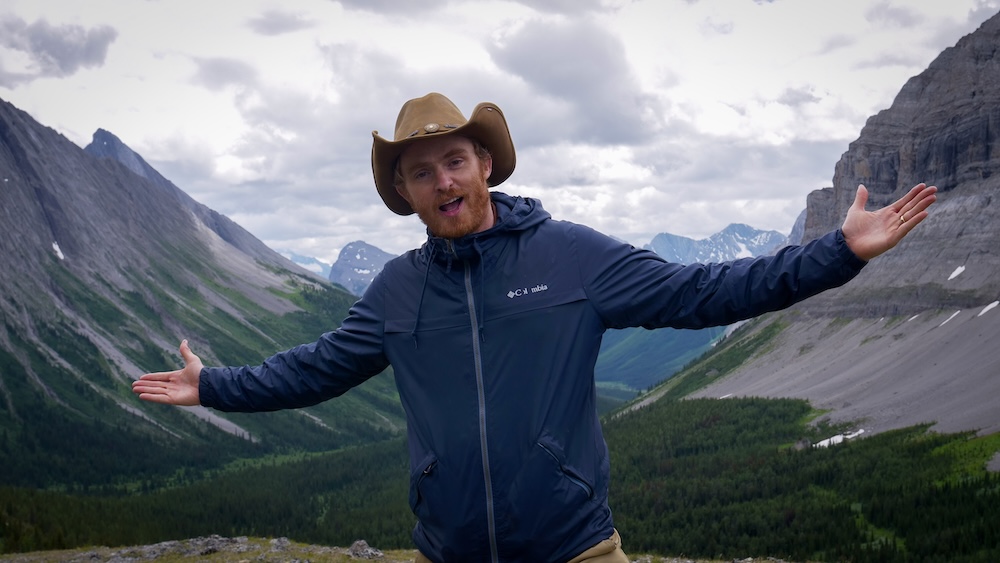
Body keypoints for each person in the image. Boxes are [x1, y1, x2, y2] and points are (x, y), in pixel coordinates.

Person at [133, 92, 937, 563]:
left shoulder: (571, 257)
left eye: (453, 159)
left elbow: (704, 291)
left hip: (578, 550)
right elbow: (311, 369)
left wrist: (835, 254)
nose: (441, 180)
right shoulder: (395, 292)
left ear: (484, 161)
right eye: (420, 171)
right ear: (406, 192)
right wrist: (215, 385)